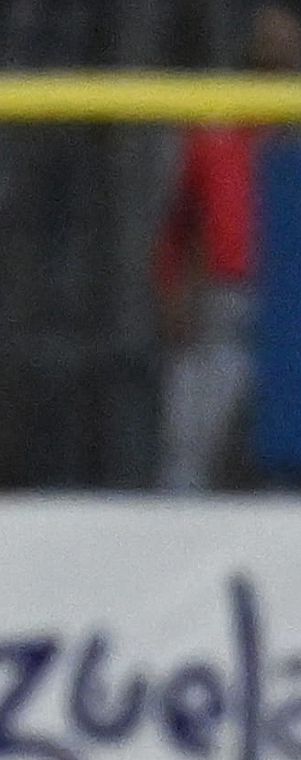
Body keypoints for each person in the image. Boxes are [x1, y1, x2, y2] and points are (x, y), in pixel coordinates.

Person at [152, 1, 301, 491]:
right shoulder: (219, 113)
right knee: (193, 440)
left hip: (293, 296)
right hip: (227, 295)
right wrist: (173, 288)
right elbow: (179, 217)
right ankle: (171, 541)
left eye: (286, 27)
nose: (276, 37)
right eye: (268, 26)